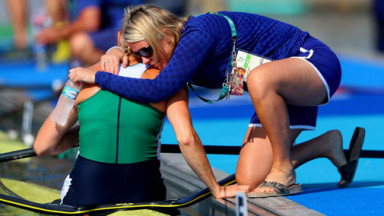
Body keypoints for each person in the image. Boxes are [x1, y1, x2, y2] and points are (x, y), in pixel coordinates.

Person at [68, 5, 365, 197]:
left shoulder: (198, 35)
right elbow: (131, 54)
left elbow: (158, 90)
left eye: (146, 51)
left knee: (260, 78)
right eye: (138, 53)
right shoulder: (165, 48)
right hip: (279, 93)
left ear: (165, 34)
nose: (144, 59)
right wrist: (113, 51)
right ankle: (327, 145)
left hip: (314, 66)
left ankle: (285, 170)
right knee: (249, 181)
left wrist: (98, 77)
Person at [34, 0, 144, 66]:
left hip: (126, 32)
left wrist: (56, 34)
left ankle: (125, 67)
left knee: (79, 43)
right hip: (142, 27)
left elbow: (90, 22)